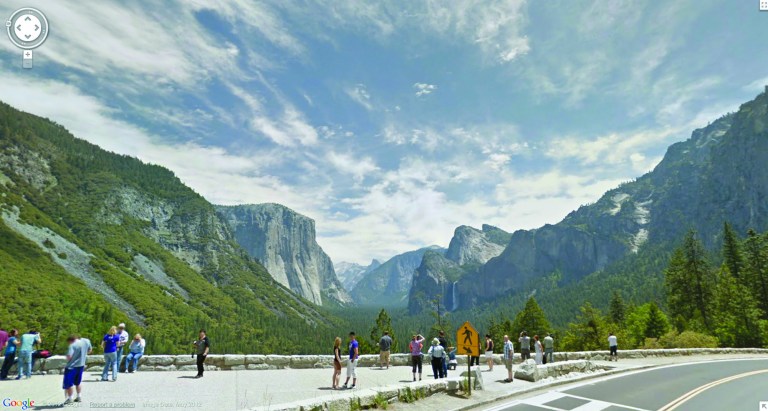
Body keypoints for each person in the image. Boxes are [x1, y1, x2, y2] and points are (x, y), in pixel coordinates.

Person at [62, 334, 92, 405]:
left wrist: (68, 359)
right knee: (78, 382)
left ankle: (70, 398)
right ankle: (79, 396)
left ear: (70, 340)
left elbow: (69, 356)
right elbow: (90, 350)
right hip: (81, 365)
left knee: (69, 383)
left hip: (71, 367)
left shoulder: (72, 345)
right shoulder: (86, 341)